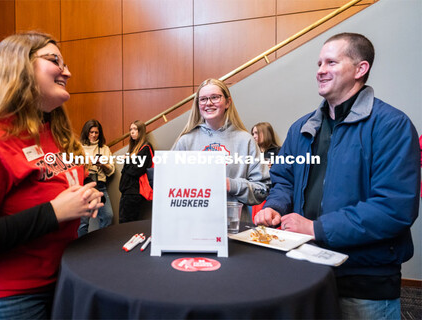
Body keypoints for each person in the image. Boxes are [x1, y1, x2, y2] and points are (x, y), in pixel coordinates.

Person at [254, 33, 420, 319]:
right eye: (319, 63)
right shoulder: (301, 128)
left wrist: (316, 229)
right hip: (304, 271)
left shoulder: (392, 126)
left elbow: (394, 208)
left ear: (360, 69)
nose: (320, 70)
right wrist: (274, 206)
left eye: (331, 62)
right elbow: (284, 179)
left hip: (364, 281)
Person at [0, 32, 103, 319]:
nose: (68, 71)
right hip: (1, 301)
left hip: (58, 283)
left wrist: (83, 196)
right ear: (20, 67)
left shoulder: (54, 132)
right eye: (55, 60)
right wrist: (54, 212)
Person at [172, 78, 269, 222]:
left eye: (215, 97)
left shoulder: (246, 141)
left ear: (228, 102)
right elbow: (169, 186)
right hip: (192, 225)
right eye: (203, 99)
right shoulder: (185, 141)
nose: (209, 103)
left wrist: (231, 184)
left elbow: (263, 189)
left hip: (234, 228)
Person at [78, 119, 115, 236]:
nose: (93, 135)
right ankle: (81, 248)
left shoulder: (104, 149)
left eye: (96, 132)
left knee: (108, 216)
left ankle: (100, 244)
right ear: (86, 132)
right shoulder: (79, 147)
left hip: (100, 186)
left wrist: (102, 164)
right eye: (91, 132)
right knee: (83, 221)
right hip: (85, 185)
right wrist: (86, 164)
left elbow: (111, 170)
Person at [118, 120, 153, 223]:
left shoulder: (145, 148)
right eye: (131, 129)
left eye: (135, 129)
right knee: (126, 223)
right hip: (129, 192)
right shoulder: (135, 148)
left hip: (133, 192)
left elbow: (135, 170)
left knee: (126, 223)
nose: (132, 132)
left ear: (141, 131)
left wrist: (127, 160)